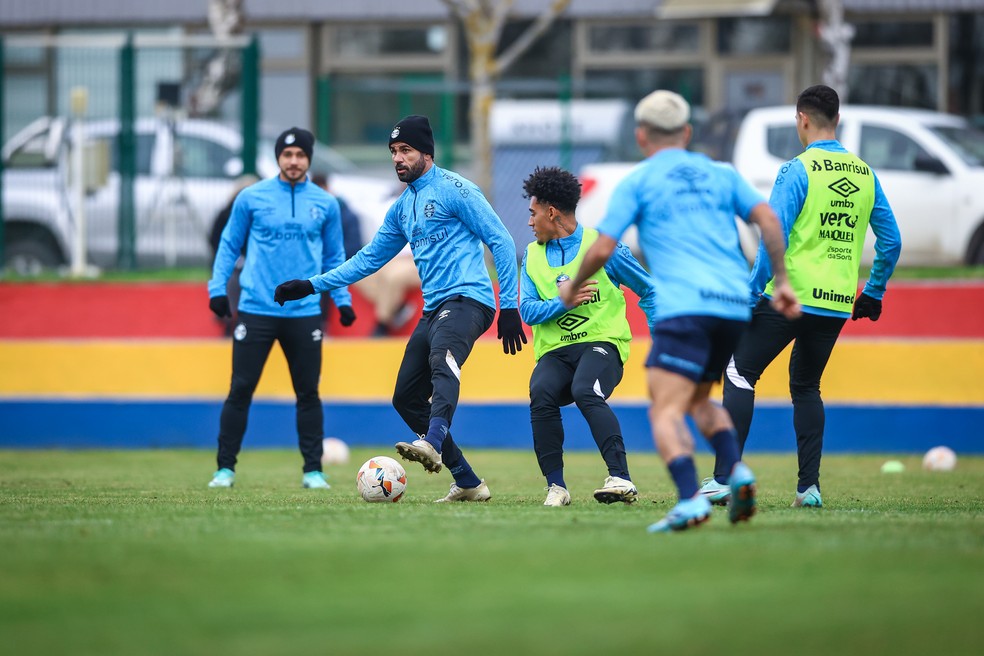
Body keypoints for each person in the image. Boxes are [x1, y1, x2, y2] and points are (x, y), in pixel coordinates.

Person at [560, 90, 801, 532]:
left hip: (685, 308)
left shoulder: (638, 180)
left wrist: (572, 286)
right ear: (687, 132)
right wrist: (781, 281)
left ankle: (691, 499)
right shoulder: (722, 173)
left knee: (664, 410)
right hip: (732, 307)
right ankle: (738, 473)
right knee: (697, 399)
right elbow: (768, 219)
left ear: (641, 136)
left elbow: (604, 247)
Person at [274, 114, 527, 502]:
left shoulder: (456, 189)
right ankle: (468, 482)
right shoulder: (402, 208)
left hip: (469, 300)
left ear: (426, 152)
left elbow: (502, 241)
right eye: (393, 151)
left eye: (405, 150)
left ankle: (433, 440)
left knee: (442, 359)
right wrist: (312, 284)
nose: (398, 158)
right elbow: (368, 259)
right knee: (405, 397)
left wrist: (508, 306)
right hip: (434, 309)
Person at [713, 85, 902, 509]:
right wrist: (872, 291)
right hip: (835, 302)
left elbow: (772, 237)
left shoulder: (796, 170)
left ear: (801, 119)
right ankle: (809, 489)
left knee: (740, 373)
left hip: (788, 296)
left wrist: (750, 291)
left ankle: (725, 478)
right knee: (806, 387)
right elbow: (891, 241)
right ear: (837, 120)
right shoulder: (864, 174)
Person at [206, 127, 357, 490]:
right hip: (257, 308)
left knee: (308, 393)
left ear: (308, 159)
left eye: (300, 155)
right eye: (287, 155)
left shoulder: (325, 203)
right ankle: (224, 469)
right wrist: (217, 289)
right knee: (240, 389)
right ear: (278, 158)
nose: (294, 161)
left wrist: (342, 300)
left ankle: (313, 472)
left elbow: (335, 256)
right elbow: (229, 245)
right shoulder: (251, 198)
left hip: (305, 313)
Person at [520, 166, 657, 507]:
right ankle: (556, 487)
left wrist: (662, 342)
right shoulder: (531, 256)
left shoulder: (603, 247)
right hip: (556, 352)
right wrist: (562, 301)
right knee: (540, 392)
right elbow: (527, 311)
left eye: (532, 213)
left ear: (551, 213)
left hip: (602, 344)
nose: (529, 221)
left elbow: (650, 291)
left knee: (585, 388)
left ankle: (621, 479)